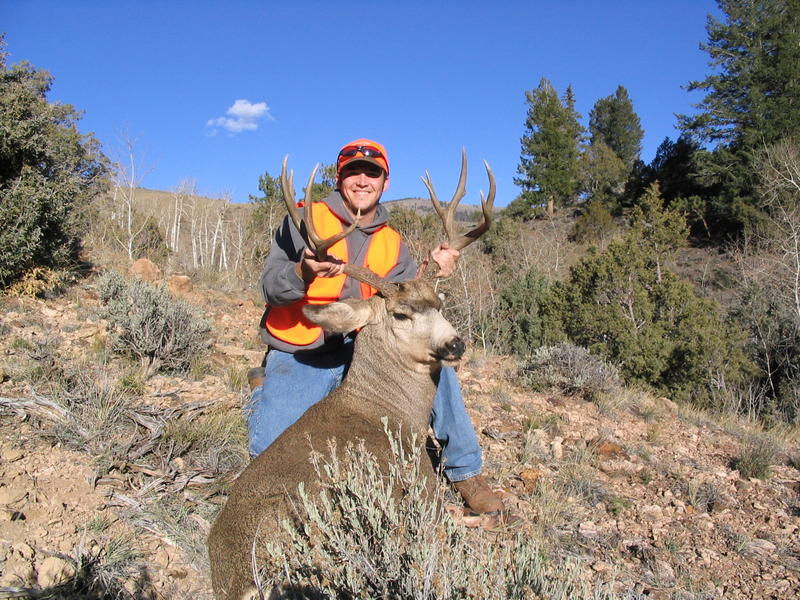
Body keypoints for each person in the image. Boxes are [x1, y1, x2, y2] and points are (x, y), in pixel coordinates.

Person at [247, 138, 504, 517]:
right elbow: (270, 287)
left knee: (435, 358)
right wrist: (302, 270)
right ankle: (262, 388)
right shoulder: (304, 221)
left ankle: (466, 472)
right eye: (353, 172)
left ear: (385, 182)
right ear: (339, 178)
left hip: (365, 350)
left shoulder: (392, 241)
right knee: (268, 453)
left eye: (373, 173)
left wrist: (432, 268)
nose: (363, 180)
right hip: (302, 351)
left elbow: (406, 300)